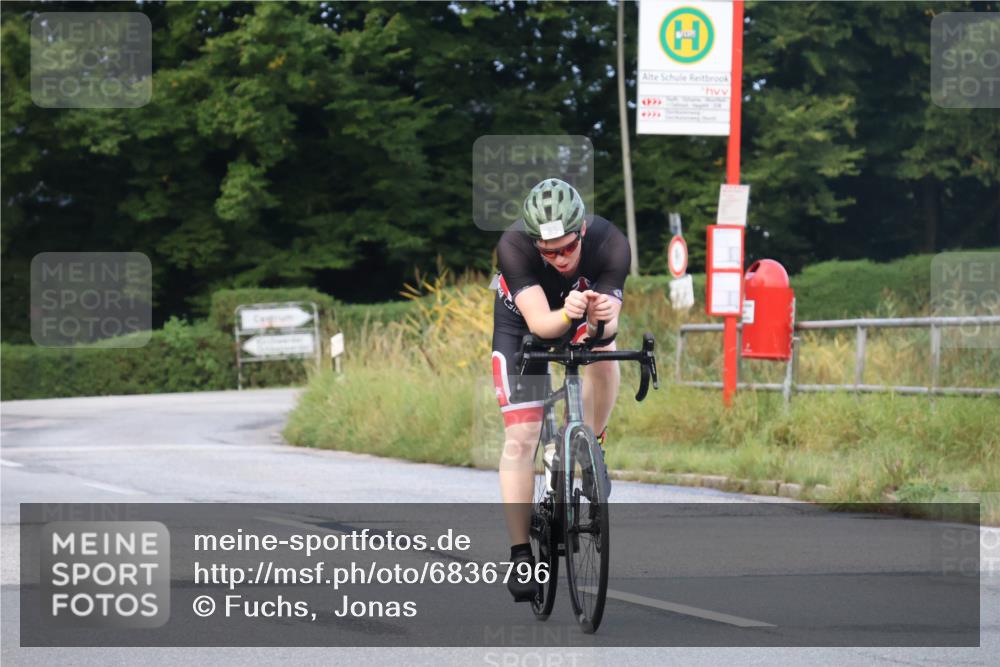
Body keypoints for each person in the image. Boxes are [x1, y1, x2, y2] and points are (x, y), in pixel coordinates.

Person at [491, 178, 630, 601]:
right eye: (548, 252)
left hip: (578, 318)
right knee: (522, 438)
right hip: (524, 328)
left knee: (606, 351)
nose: (559, 259)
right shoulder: (513, 245)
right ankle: (519, 554)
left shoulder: (611, 242)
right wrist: (568, 313)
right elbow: (541, 326)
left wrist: (602, 316)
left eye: (568, 248)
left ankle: (592, 443)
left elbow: (608, 327)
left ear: (582, 232)